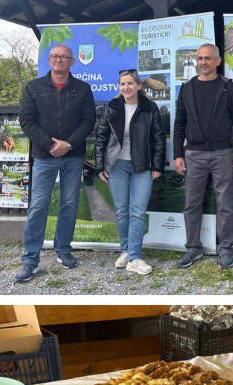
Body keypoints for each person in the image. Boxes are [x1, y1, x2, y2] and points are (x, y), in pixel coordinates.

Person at [16, 44, 96, 283]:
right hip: (44, 156)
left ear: (72, 62)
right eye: (55, 56)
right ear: (49, 60)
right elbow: (27, 121)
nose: (60, 60)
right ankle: (30, 258)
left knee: (69, 204)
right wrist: (51, 145)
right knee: (38, 206)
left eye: (65, 57)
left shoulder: (82, 89)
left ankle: (63, 249)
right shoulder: (33, 87)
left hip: (73, 156)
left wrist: (68, 145)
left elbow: (88, 120)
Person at [172, 43, 233, 270]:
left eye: (207, 58)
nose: (203, 62)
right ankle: (193, 249)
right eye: (200, 59)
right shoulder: (186, 88)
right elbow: (179, 124)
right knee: (191, 204)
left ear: (217, 61)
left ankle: (226, 250)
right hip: (193, 154)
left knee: (225, 203)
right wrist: (177, 154)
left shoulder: (228, 87)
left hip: (222, 153)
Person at [94, 69, 165, 276]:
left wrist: (157, 165)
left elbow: (159, 139)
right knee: (122, 211)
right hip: (116, 166)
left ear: (139, 86)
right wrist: (100, 166)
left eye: (130, 84)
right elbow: (101, 138)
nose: (126, 87)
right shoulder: (112, 107)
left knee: (138, 211)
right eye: (122, 84)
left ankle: (134, 257)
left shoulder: (150, 108)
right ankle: (126, 250)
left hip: (142, 166)